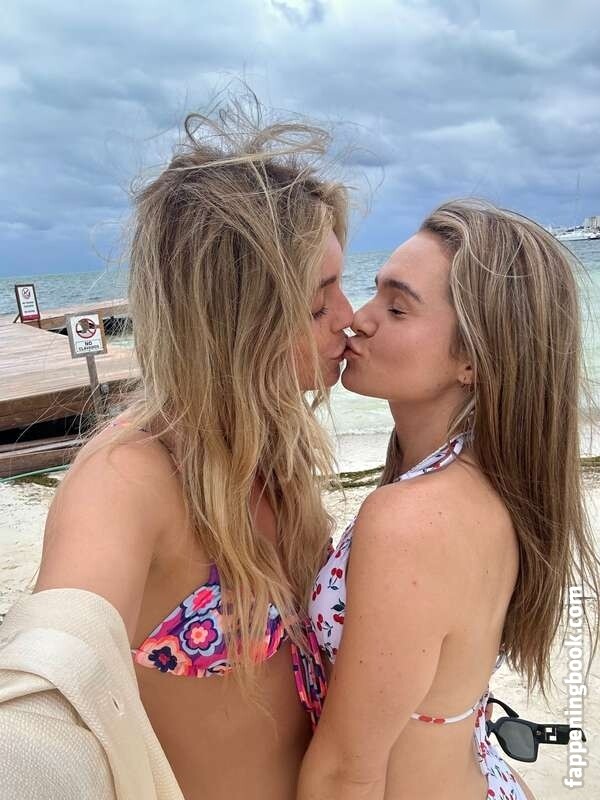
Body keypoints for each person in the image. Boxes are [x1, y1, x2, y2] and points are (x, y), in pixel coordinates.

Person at [29, 100, 353, 800]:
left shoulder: (272, 449)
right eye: (319, 302)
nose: (350, 322)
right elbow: (54, 669)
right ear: (240, 317)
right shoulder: (126, 478)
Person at [299, 199, 599, 800]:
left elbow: (345, 774)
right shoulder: (486, 482)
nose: (359, 318)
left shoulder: (412, 521)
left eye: (397, 307)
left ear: (472, 360)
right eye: (374, 291)